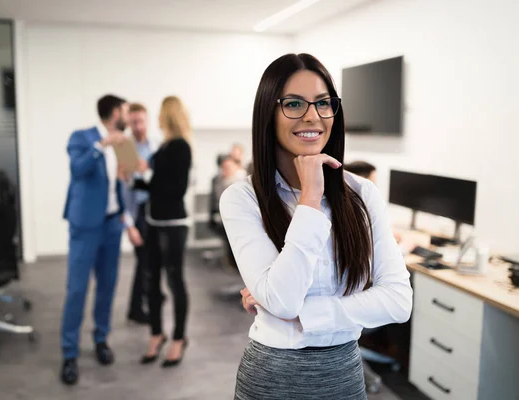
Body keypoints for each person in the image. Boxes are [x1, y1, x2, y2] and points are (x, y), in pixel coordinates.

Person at [219, 53, 413, 399]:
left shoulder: (362, 194)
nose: (312, 116)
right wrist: (310, 198)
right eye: (294, 103)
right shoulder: (242, 198)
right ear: (268, 113)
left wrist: (305, 314)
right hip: (271, 379)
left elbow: (398, 300)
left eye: (323, 103)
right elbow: (281, 301)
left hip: (344, 376)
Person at [59, 94, 129, 385]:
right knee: (77, 288)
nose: (126, 115)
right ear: (114, 112)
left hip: (113, 224)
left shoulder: (124, 143)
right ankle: (69, 352)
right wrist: (102, 146)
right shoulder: (82, 137)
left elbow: (125, 179)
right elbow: (78, 170)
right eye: (125, 111)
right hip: (86, 225)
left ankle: (101, 338)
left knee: (108, 285)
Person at [128, 96, 192, 368]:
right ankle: (156, 334)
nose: (155, 119)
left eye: (159, 114)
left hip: (174, 224)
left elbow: (176, 190)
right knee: (150, 281)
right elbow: (154, 184)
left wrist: (148, 179)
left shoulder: (180, 147)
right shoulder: (163, 147)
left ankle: (178, 338)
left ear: (168, 116)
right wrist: (134, 179)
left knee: (175, 281)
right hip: (154, 221)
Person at [123, 102, 158, 324]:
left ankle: (149, 297)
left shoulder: (155, 146)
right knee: (143, 261)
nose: (137, 126)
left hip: (154, 210)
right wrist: (129, 225)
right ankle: (136, 307)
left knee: (151, 260)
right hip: (138, 213)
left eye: (141, 121)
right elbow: (122, 191)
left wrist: (149, 171)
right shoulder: (125, 150)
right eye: (133, 122)